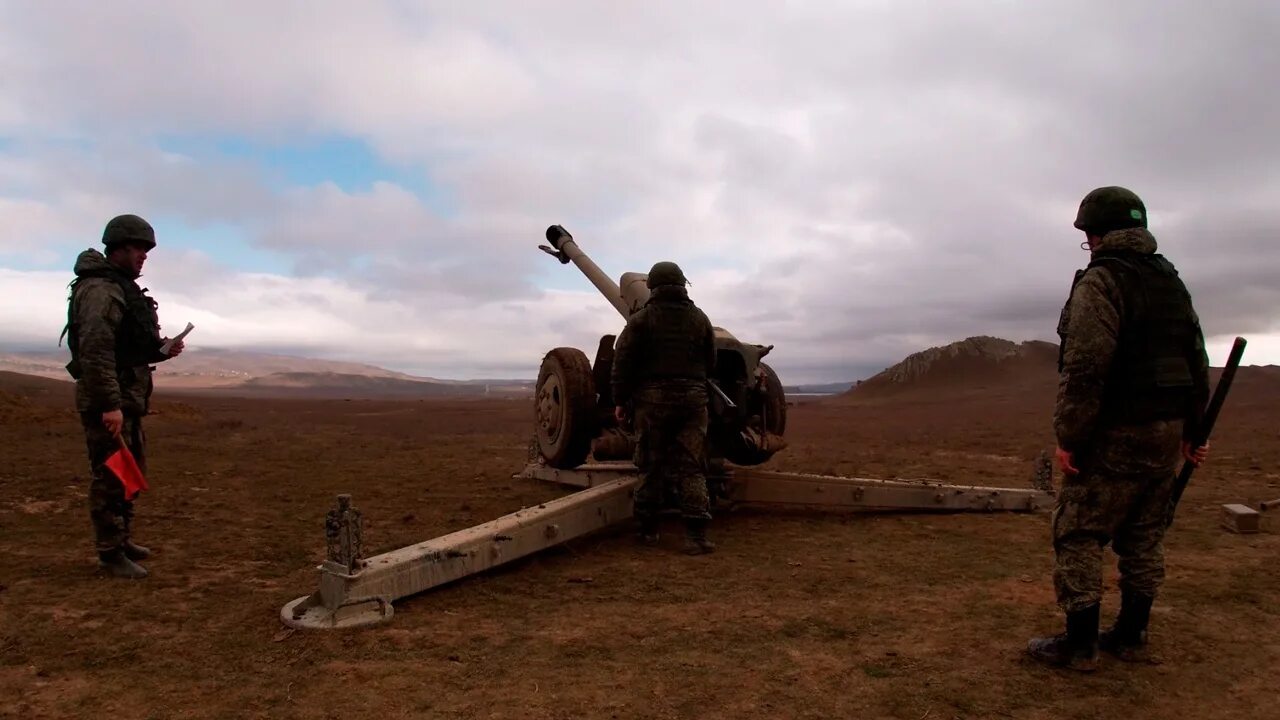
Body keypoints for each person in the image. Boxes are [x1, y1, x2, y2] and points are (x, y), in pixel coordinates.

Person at [1027, 187, 1210, 671]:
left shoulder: (1102, 282)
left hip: (1115, 435)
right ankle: (1131, 637)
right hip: (1166, 433)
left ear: (1095, 233)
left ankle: (1080, 645)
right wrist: (1194, 430)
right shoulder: (1170, 281)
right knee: (1145, 537)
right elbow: (1196, 357)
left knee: (1079, 533)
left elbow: (1086, 369)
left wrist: (1070, 439)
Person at [63, 214, 185, 579]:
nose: (143, 256)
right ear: (117, 247)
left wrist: (161, 351)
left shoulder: (118, 287)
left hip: (126, 399)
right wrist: (109, 405)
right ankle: (109, 552)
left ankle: (123, 539)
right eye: (137, 248)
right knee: (111, 476)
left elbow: (125, 350)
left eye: (146, 250)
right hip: (111, 403)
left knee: (129, 474)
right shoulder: (101, 290)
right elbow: (96, 352)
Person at [611, 261, 717, 555]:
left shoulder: (641, 321)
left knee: (649, 465)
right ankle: (696, 536)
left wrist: (620, 400)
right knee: (692, 467)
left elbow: (623, 362)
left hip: (652, 401)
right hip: (694, 400)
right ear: (683, 285)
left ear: (653, 287)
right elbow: (711, 360)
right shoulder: (700, 319)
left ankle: (648, 531)